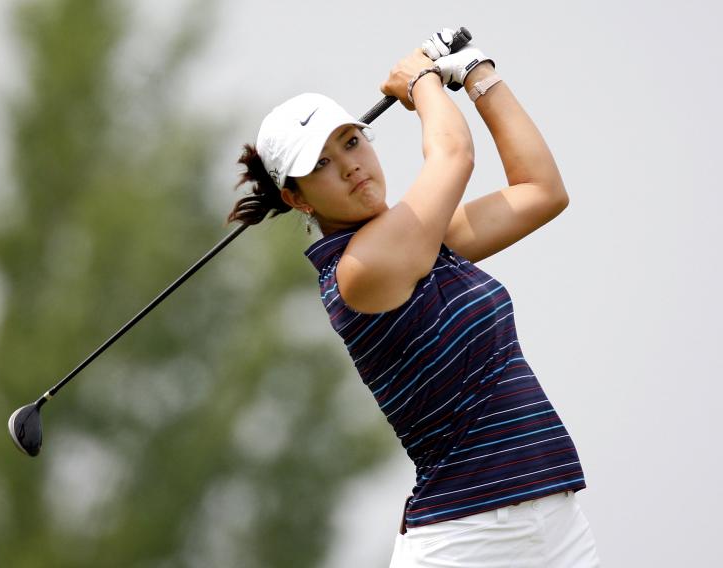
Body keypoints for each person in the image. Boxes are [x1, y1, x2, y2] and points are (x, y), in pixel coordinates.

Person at [229, 28, 601, 568]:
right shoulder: (358, 271)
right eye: (322, 165)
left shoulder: (427, 242)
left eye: (350, 142)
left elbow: (542, 191)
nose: (351, 165)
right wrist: (422, 83)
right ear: (295, 198)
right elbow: (454, 153)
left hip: (558, 526)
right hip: (465, 541)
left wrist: (479, 74)